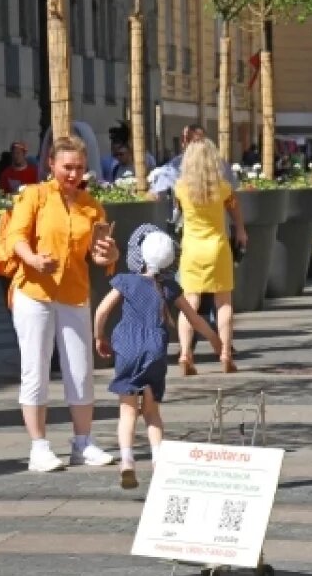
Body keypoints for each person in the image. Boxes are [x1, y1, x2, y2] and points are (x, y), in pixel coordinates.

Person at [4, 134, 120, 472]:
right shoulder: (34, 196)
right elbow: (15, 236)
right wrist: (32, 259)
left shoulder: (91, 205)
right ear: (51, 164)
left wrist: (110, 254)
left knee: (80, 371)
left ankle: (83, 442)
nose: (73, 174)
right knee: (35, 369)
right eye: (67, 167)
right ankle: (38, 447)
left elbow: (99, 254)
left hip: (73, 293)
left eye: (79, 168)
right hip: (34, 292)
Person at [95, 227, 222, 489]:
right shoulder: (169, 287)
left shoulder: (125, 281)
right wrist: (214, 338)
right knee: (151, 412)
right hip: (155, 350)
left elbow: (102, 310)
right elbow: (194, 318)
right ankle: (158, 460)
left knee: (127, 411)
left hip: (128, 348)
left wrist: (99, 336)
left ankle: (127, 461)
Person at [174, 138, 246, 375]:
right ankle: (225, 352)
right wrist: (241, 230)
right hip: (217, 247)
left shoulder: (180, 188)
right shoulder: (223, 188)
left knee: (189, 303)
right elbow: (235, 210)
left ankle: (186, 352)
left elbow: (178, 213)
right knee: (223, 302)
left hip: (191, 248)